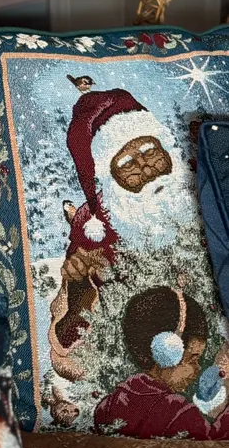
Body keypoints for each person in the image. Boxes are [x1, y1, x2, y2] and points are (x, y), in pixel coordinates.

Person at [49, 76, 195, 379]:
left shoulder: (202, 184)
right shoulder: (94, 228)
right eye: (127, 163)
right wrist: (80, 287)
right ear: (108, 177)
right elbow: (68, 349)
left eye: (150, 151)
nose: (145, 167)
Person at [95, 286, 229, 439]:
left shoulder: (111, 403)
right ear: (167, 352)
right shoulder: (176, 412)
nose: (198, 369)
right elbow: (212, 441)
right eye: (192, 359)